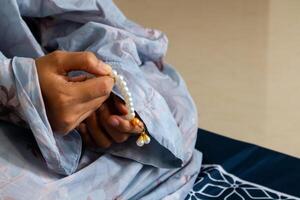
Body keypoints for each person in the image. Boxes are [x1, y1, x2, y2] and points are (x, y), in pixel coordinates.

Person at [0, 0, 202, 199]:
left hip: (39, 56)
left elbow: (81, 14)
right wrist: (19, 87)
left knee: (174, 120)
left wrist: (107, 92)